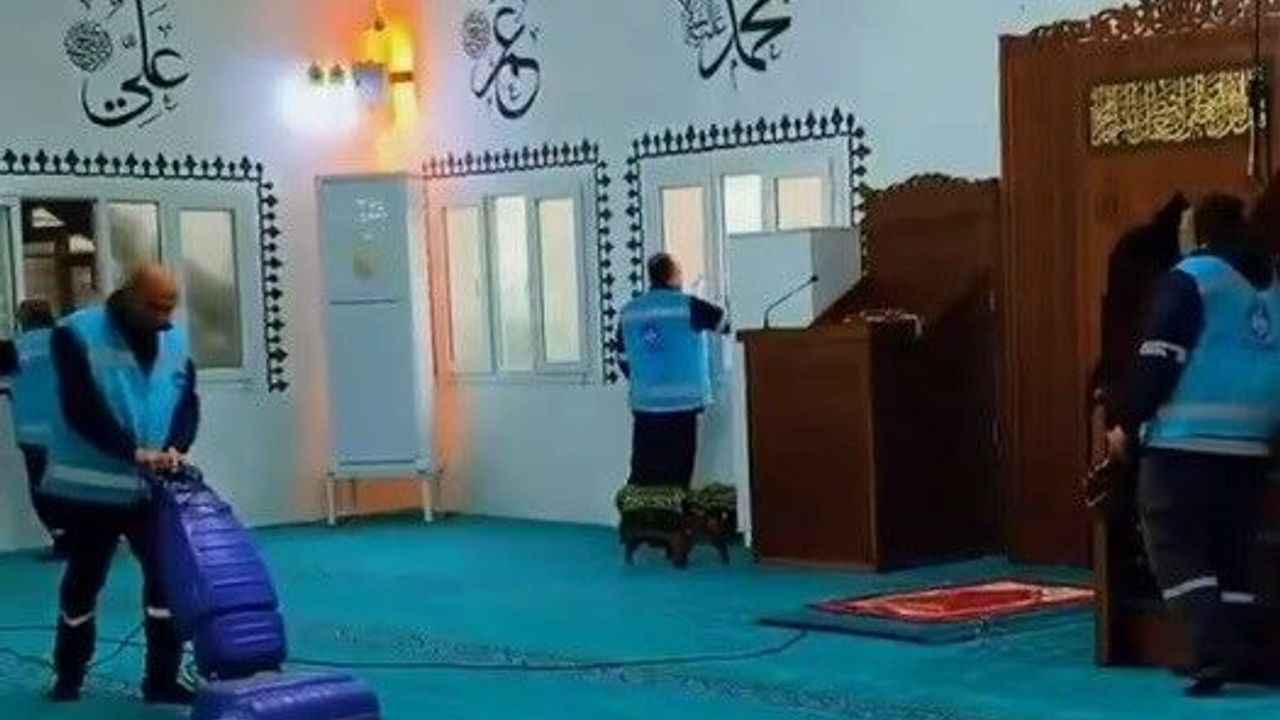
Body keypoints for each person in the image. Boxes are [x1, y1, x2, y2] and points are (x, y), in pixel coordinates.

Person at [1106, 193, 1280, 696]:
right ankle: (1241, 650)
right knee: (1231, 552)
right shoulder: (1272, 284)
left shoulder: (1193, 277)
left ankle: (1213, 650)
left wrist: (1125, 420)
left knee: (1174, 544)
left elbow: (1160, 357)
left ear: (1194, 233)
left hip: (1184, 440)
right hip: (1252, 444)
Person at [39, 263, 200, 704]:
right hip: (92, 488)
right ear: (129, 295)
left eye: (170, 307)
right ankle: (69, 674)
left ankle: (161, 679)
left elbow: (187, 402)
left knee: (166, 581)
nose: (164, 317)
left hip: (152, 490)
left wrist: (178, 445)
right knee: (84, 580)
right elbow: (79, 407)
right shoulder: (76, 334)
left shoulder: (175, 340)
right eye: (155, 306)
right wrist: (130, 451)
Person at [616, 253, 729, 489]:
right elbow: (725, 324)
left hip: (645, 405)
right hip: (681, 406)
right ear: (673, 275)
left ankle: (641, 512)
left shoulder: (629, 311)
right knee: (677, 471)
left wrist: (645, 382)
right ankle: (672, 512)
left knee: (643, 470)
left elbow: (622, 358)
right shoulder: (688, 306)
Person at [0, 300, 66, 557]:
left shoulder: (14, 348)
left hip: (32, 429)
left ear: (22, 321)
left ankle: (61, 537)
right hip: (69, 427)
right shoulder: (67, 342)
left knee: (42, 485)